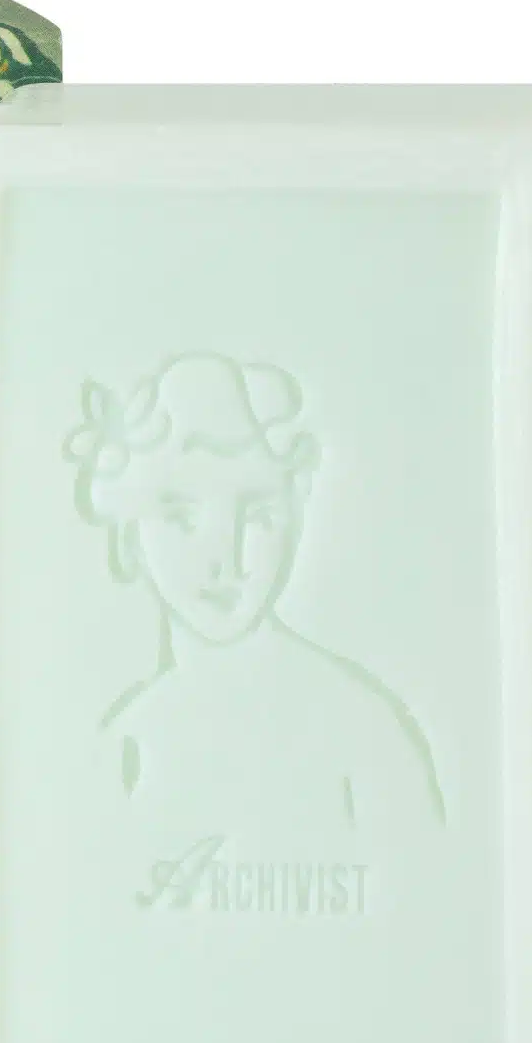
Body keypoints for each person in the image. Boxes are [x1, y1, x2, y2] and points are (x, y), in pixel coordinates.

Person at [65, 352, 444, 827]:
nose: (226, 558)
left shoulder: (361, 734)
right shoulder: (124, 747)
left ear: (296, 520)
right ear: (128, 536)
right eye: (183, 518)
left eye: (259, 516)